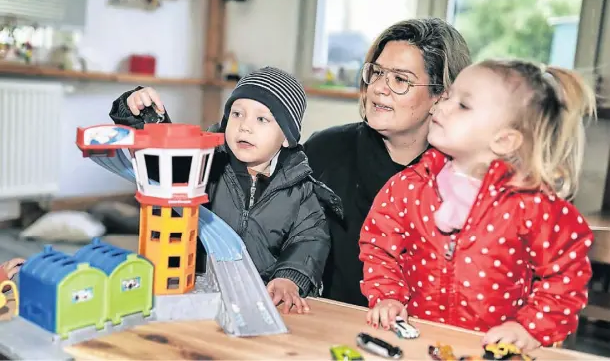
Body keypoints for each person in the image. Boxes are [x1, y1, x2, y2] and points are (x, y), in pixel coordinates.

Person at [359, 59, 596, 351]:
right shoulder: (409, 185)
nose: (442, 106)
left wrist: (529, 326)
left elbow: (566, 271)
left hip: (491, 349)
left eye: (463, 105)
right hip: (418, 341)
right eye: (448, 97)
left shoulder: (530, 203)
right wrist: (388, 296)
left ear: (504, 140)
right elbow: (379, 246)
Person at [108, 67, 342, 314]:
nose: (244, 127)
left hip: (260, 297)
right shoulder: (205, 163)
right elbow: (166, 164)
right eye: (237, 114)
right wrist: (143, 116)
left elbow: (309, 240)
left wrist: (289, 279)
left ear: (287, 137)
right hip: (195, 291)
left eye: (262, 119)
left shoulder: (302, 190)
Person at [303, 18, 472, 306]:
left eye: (400, 79)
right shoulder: (323, 151)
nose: (380, 88)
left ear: (440, 95)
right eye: (377, 73)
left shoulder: (462, 179)